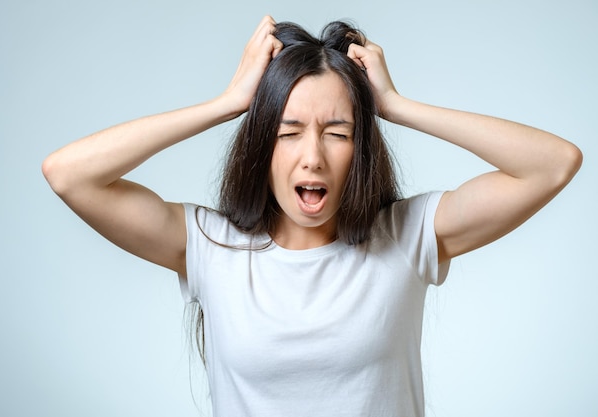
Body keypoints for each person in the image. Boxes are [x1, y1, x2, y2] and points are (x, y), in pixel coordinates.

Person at [42, 15, 582, 417]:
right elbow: (69, 173)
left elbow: (553, 165)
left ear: (362, 147)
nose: (313, 155)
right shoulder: (211, 245)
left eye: (339, 132)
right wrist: (228, 103)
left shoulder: (408, 235)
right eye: (288, 130)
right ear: (261, 144)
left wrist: (395, 106)